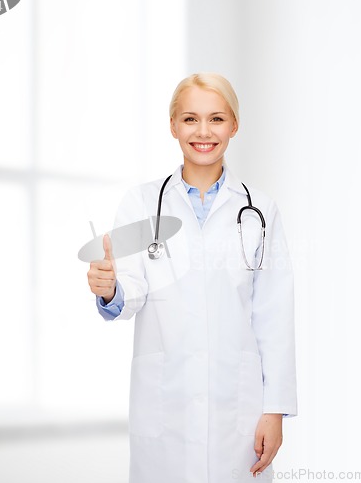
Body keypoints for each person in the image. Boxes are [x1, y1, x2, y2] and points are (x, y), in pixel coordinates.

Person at [87, 72, 297, 482]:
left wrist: (275, 411)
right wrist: (110, 288)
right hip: (166, 407)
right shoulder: (142, 203)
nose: (204, 132)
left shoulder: (260, 211)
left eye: (217, 119)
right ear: (173, 126)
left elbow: (274, 317)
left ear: (234, 125)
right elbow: (130, 290)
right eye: (190, 119)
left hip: (237, 411)